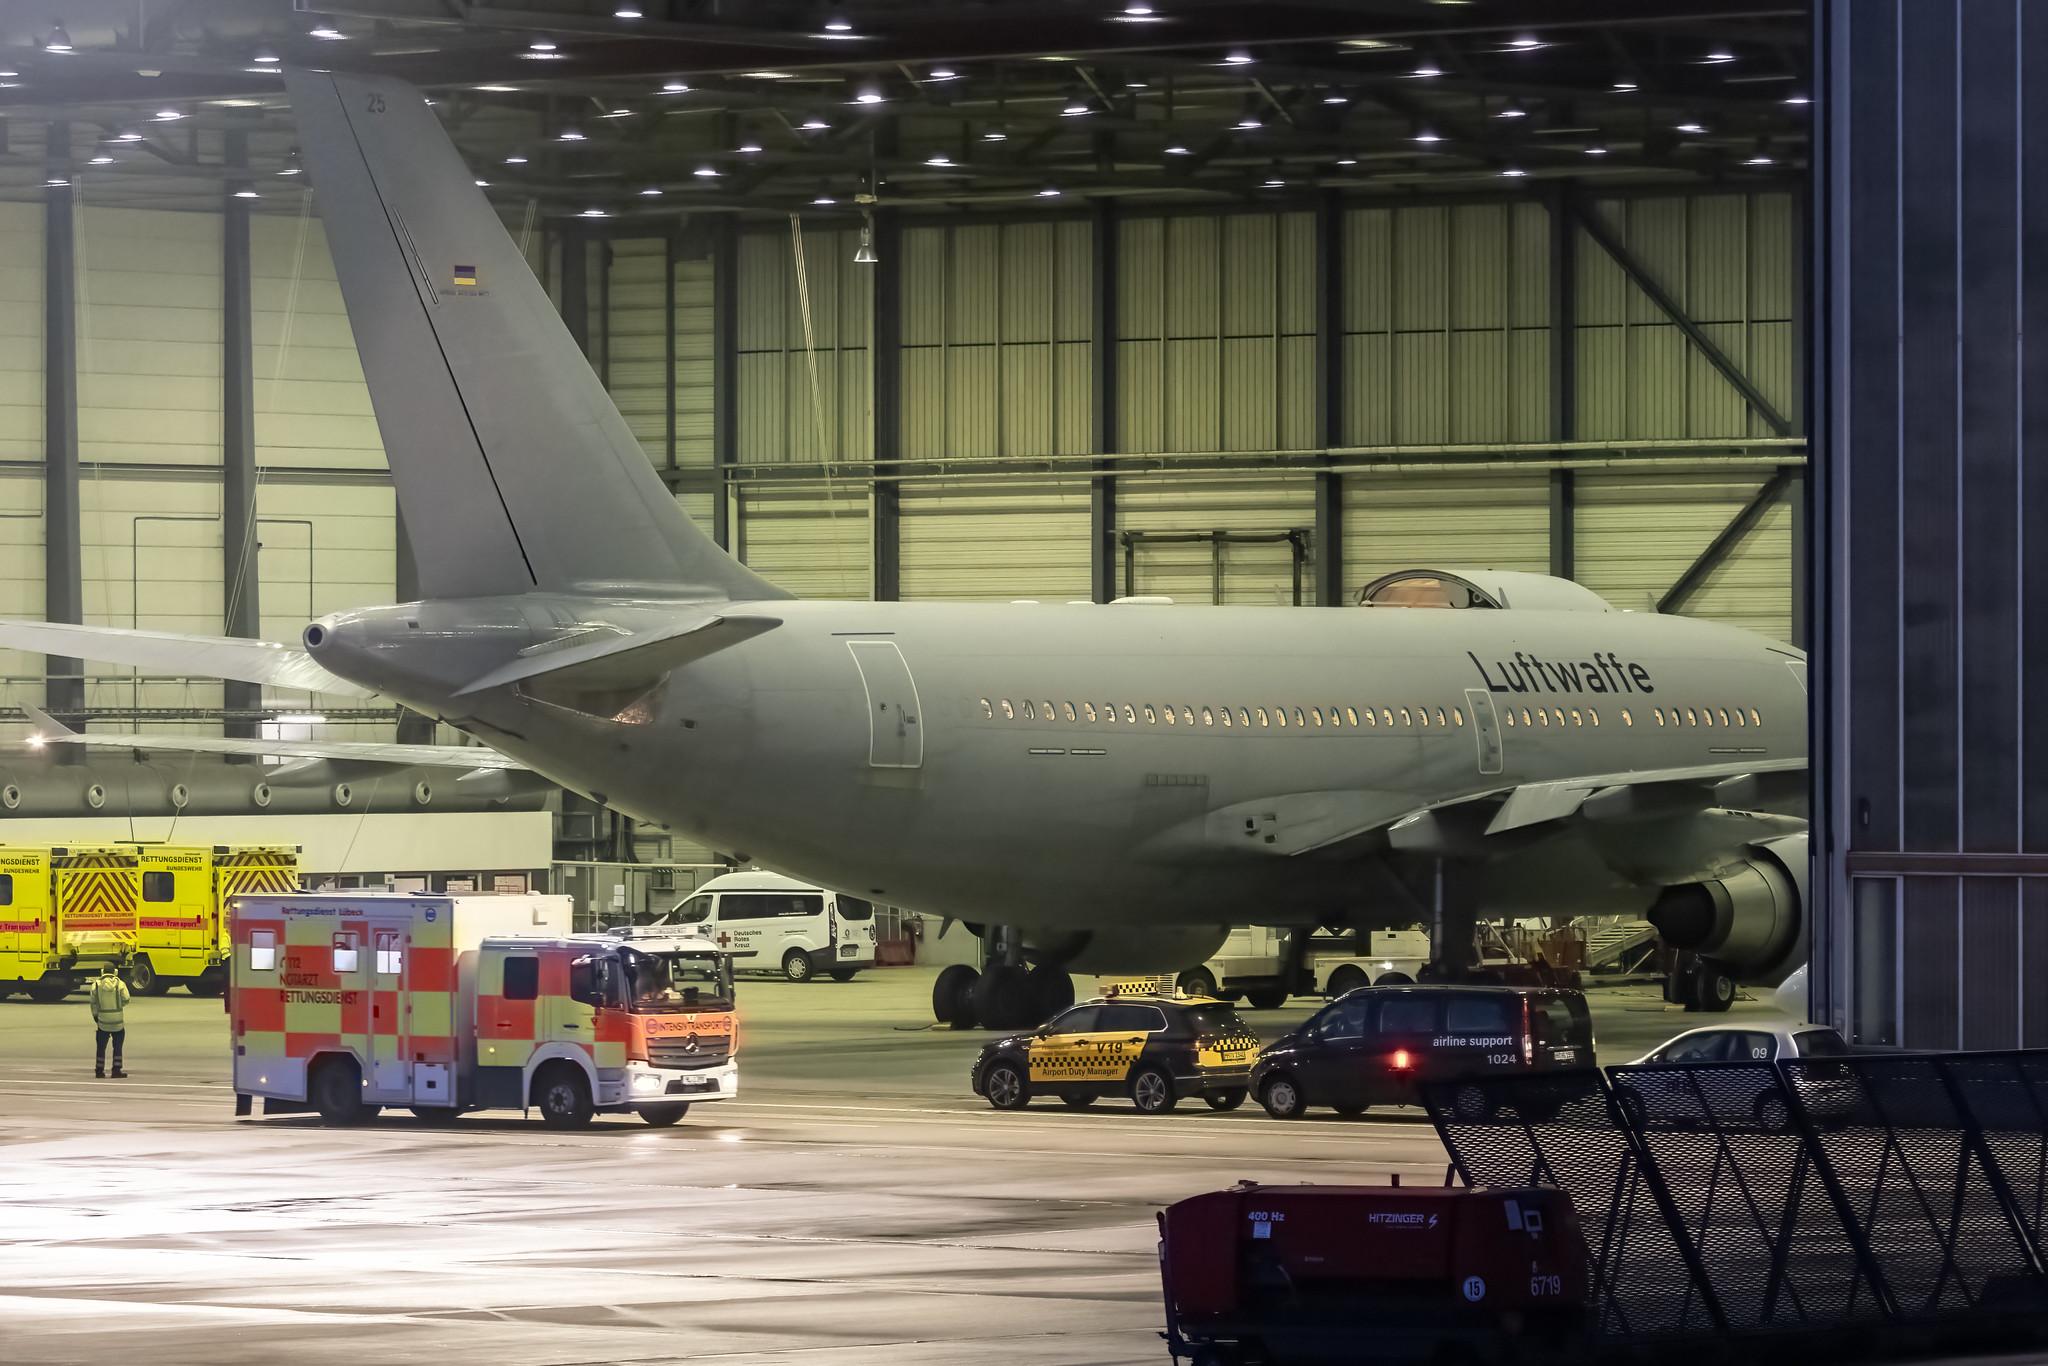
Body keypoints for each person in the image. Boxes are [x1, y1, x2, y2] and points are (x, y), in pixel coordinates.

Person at [89, 962, 130, 1079]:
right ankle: (116, 1070)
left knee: (101, 1047)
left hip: (103, 1021)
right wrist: (119, 1006)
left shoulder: (96, 985)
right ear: (115, 972)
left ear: (102, 972)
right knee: (117, 1046)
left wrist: (96, 1016)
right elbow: (126, 999)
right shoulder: (120, 984)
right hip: (118, 1021)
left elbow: (93, 1003)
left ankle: (99, 1070)